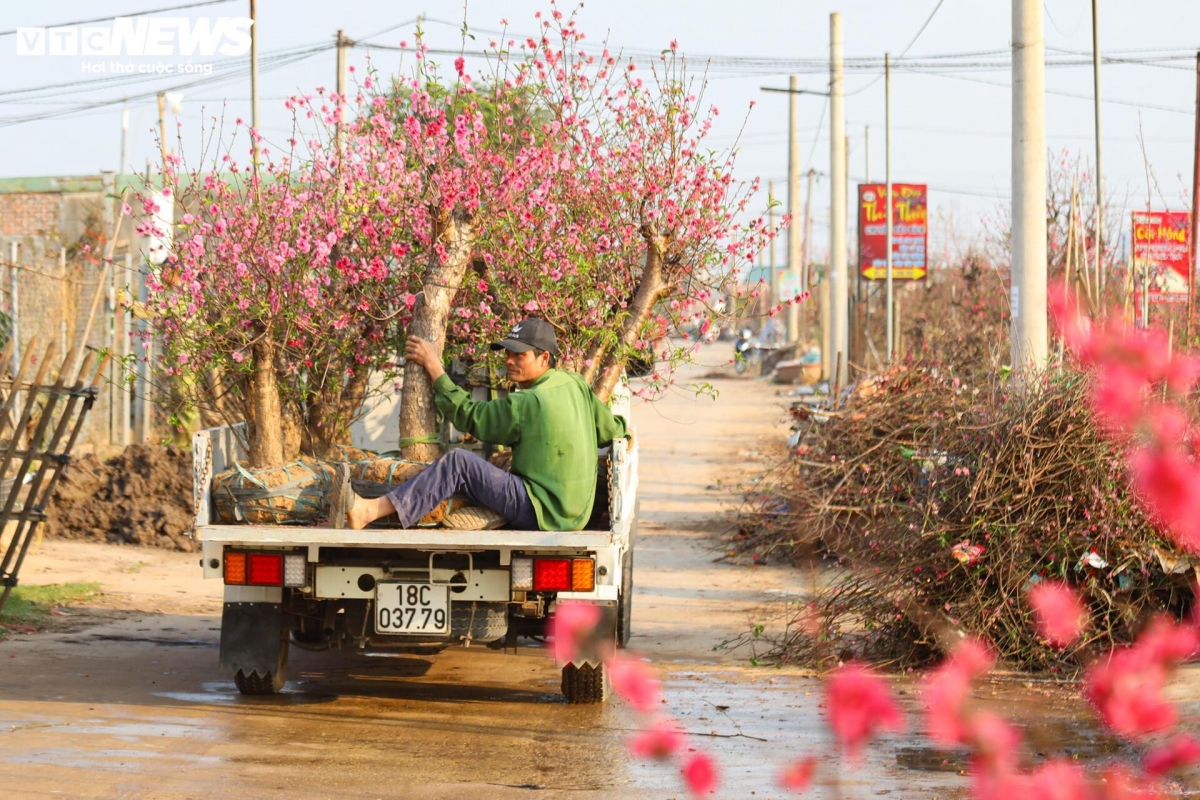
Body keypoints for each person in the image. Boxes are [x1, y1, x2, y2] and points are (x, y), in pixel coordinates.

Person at [336, 318, 633, 531]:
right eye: (507, 353)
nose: (509, 361)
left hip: (540, 512)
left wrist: (434, 367)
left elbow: (469, 416)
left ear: (544, 357)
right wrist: (628, 436)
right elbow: (615, 430)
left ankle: (369, 510)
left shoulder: (527, 402)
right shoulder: (576, 384)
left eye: (519, 355)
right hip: (576, 516)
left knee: (459, 464)